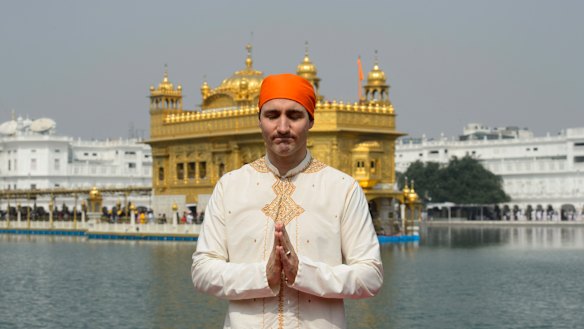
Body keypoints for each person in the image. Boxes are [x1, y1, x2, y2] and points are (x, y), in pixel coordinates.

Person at [191, 73, 383, 329]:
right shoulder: (231, 187)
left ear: (311, 120)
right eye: (272, 116)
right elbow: (202, 271)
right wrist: (262, 275)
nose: (282, 127)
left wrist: (304, 273)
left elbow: (370, 276)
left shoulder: (342, 189)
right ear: (259, 120)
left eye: (294, 115)